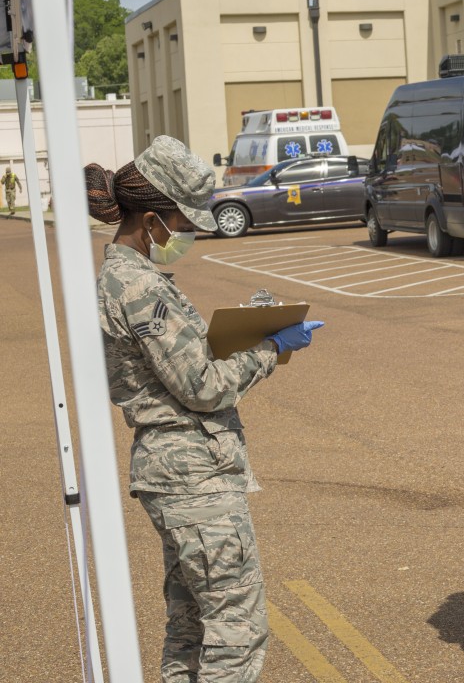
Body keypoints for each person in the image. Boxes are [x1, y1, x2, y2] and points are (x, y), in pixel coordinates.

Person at [87, 135, 324, 683]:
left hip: (175, 472)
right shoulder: (137, 285)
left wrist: (249, 331)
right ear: (151, 220)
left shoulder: (129, 277)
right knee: (236, 631)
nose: (189, 233)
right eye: (183, 222)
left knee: (192, 624)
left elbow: (182, 363)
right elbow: (202, 386)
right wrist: (270, 348)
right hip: (192, 474)